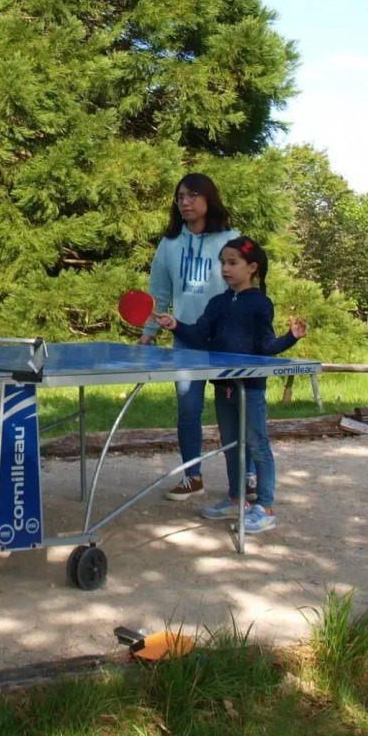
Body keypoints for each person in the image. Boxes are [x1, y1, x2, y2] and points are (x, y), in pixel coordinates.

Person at [154, 236, 307, 534]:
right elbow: (201, 337)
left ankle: (265, 506)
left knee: (257, 445)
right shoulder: (217, 303)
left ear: (251, 268)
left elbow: (265, 346)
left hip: (249, 388)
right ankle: (237, 499)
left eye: (233, 263)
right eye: (223, 262)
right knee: (230, 446)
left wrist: (291, 338)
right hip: (223, 386)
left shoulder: (260, 303)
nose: (225, 268)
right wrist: (176, 325)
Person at [139, 173, 244, 501]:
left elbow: (246, 286)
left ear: (208, 199)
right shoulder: (169, 244)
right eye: (180, 196)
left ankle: (245, 479)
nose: (185, 202)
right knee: (188, 411)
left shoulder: (232, 239)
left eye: (192, 196)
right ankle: (192, 476)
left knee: (235, 412)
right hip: (186, 340)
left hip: (228, 342)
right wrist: (148, 332)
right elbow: (158, 291)